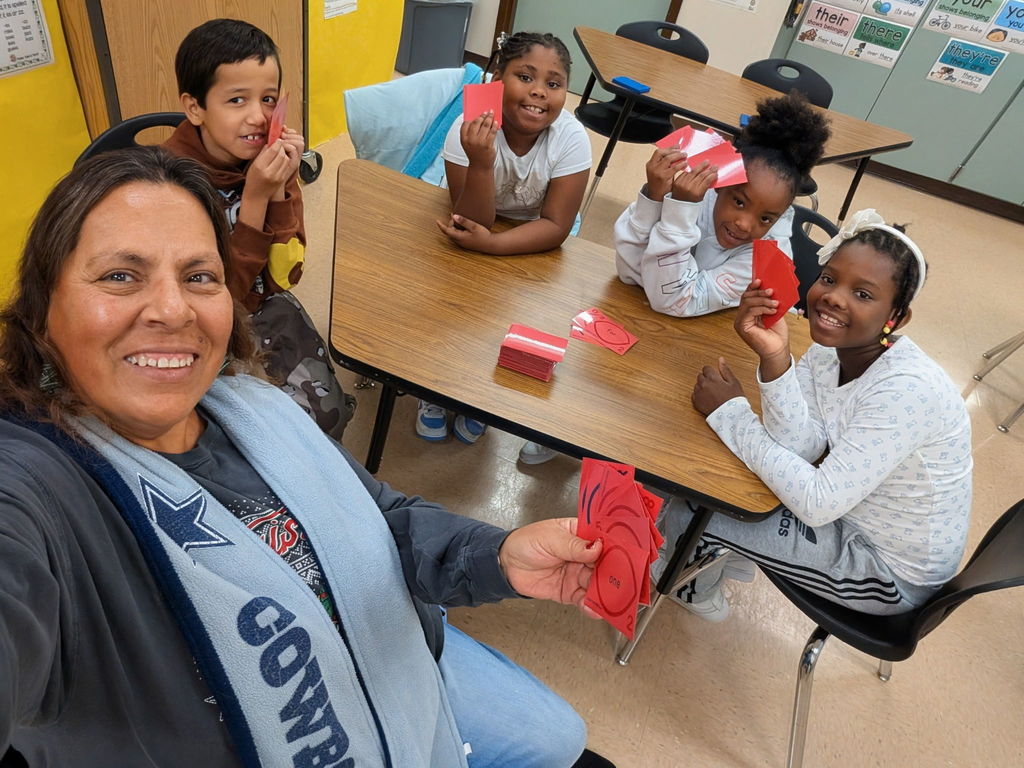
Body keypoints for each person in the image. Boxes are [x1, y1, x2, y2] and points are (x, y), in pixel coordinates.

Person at [0, 148, 615, 768]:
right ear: (42, 312)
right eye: (120, 276)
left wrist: (497, 556)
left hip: (396, 656)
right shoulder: (39, 485)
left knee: (560, 738)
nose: (173, 308)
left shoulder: (251, 409)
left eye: (198, 276)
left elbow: (382, 519)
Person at [662, 209, 972, 621]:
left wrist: (731, 414)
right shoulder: (831, 348)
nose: (834, 297)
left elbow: (816, 501)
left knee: (692, 508)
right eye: (829, 278)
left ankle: (696, 590)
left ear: (896, 317)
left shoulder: (907, 391)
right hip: (844, 511)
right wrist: (774, 357)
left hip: (883, 572)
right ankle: (725, 555)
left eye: (863, 294)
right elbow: (800, 445)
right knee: (707, 474)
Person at [525, 92, 831, 466]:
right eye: (738, 201)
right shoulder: (697, 183)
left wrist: (678, 212)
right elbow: (626, 264)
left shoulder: (767, 255)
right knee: (592, 381)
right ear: (722, 183)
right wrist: (656, 195)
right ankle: (571, 436)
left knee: (653, 421)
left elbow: (673, 301)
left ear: (781, 216)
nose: (746, 224)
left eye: (766, 217)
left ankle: (616, 457)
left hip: (698, 342)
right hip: (632, 308)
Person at [162, 18, 355, 443]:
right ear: (195, 108)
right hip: (201, 320)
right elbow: (219, 299)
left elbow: (287, 275)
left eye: (269, 99)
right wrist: (253, 200)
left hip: (263, 300)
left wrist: (281, 188)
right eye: (236, 100)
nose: (257, 116)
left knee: (328, 416)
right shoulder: (168, 186)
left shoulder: (269, 162)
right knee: (253, 437)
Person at [422, 31, 592, 447]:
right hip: (469, 232)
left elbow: (556, 226)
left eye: (553, 84)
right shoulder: (468, 127)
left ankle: (478, 401)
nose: (539, 93)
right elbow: (469, 220)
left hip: (530, 242)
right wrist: (482, 161)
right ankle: (430, 388)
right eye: (525, 77)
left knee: (514, 321)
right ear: (497, 79)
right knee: (449, 312)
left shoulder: (570, 138)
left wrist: (493, 245)